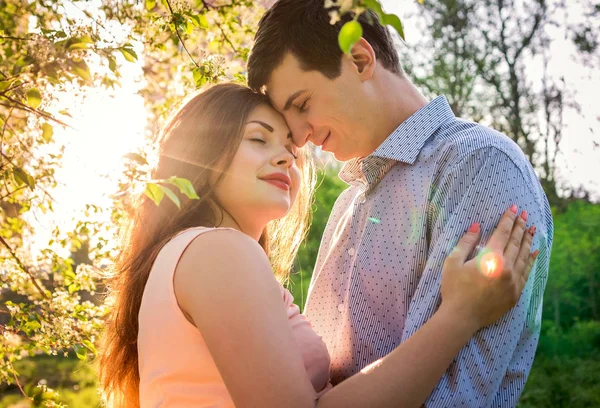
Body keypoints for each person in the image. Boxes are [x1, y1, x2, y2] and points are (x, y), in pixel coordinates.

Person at [97, 83, 537, 407]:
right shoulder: (218, 252)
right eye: (258, 138)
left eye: (290, 145)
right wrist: (460, 315)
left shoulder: (195, 255)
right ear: (204, 151)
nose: (286, 156)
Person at [246, 0, 553, 406]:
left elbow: (455, 396)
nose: (299, 138)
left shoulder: (478, 164)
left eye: (303, 105)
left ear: (359, 59)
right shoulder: (347, 204)